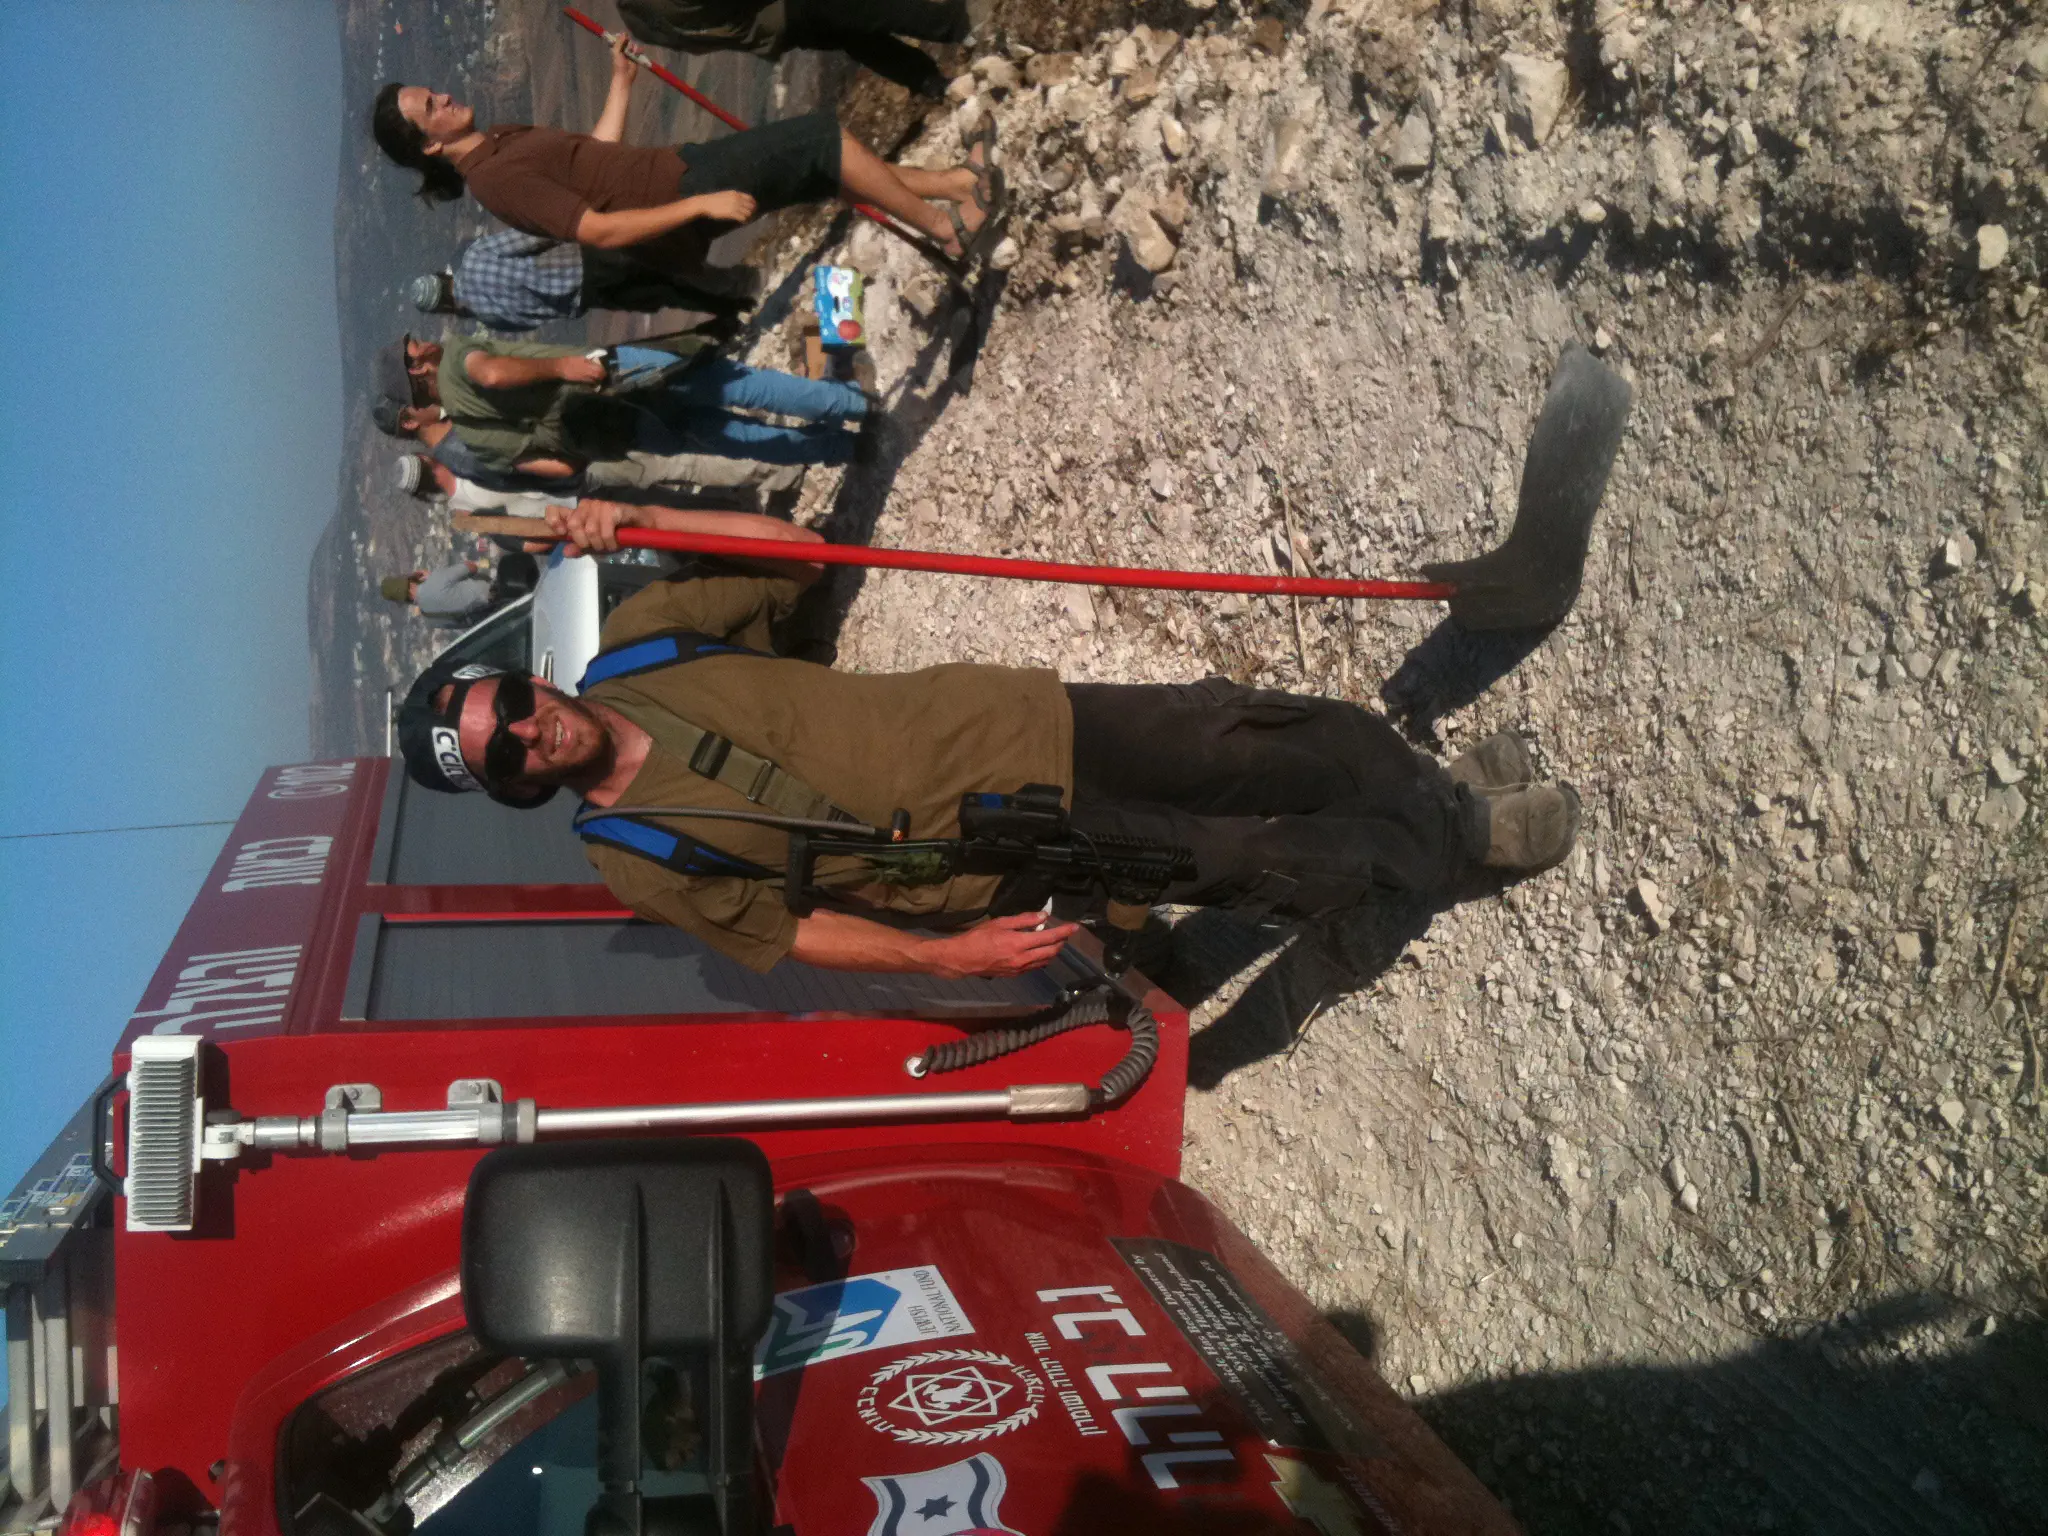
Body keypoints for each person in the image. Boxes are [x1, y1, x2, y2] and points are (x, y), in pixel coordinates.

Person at [395, 507, 1582, 977]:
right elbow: (787, 930)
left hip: (1010, 718)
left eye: (510, 708)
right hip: (991, 845)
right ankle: (1454, 842)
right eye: (507, 758)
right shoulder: (630, 855)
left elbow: (793, 559)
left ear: (524, 679)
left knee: (1251, 736)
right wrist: (942, 958)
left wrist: (646, 517)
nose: (531, 734)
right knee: (1233, 855)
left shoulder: (641, 643)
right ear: (515, 786)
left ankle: (1415, 791)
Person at [371, 32, 1001, 267]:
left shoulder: (500, 140)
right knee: (819, 138)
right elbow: (597, 230)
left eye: (433, 91)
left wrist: (620, 83)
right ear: (429, 145)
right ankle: (948, 230)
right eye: (431, 106)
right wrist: (699, 206)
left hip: (677, 169)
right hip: (681, 190)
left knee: (821, 170)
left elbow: (594, 157)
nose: (444, 96)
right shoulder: (495, 181)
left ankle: (956, 183)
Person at [375, 333, 871, 475]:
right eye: (412, 345)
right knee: (736, 385)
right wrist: (563, 368)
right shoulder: (457, 359)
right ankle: (849, 404)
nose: (421, 342)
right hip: (611, 376)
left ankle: (839, 450)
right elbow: (492, 372)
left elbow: (558, 468)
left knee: (733, 438)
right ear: (416, 368)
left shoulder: (473, 436)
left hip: (616, 431)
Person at [411, 228, 754, 335]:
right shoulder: (476, 257)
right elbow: (531, 237)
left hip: (586, 297)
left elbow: (532, 321)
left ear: (443, 308)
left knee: (661, 293)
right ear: (443, 277)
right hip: (584, 259)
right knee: (665, 262)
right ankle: (737, 284)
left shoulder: (487, 318)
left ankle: (733, 306)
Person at [619, 0, 971, 101]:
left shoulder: (636, 17)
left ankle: (928, 81)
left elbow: (693, 44)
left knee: (855, 37)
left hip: (773, 31)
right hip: (787, 8)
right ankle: (961, 24)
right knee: (868, 11)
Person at [379, 554, 537, 630]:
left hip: (498, 617)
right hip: (499, 592)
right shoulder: (435, 580)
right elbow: (471, 567)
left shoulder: (430, 620)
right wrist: (432, 575)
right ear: (409, 579)